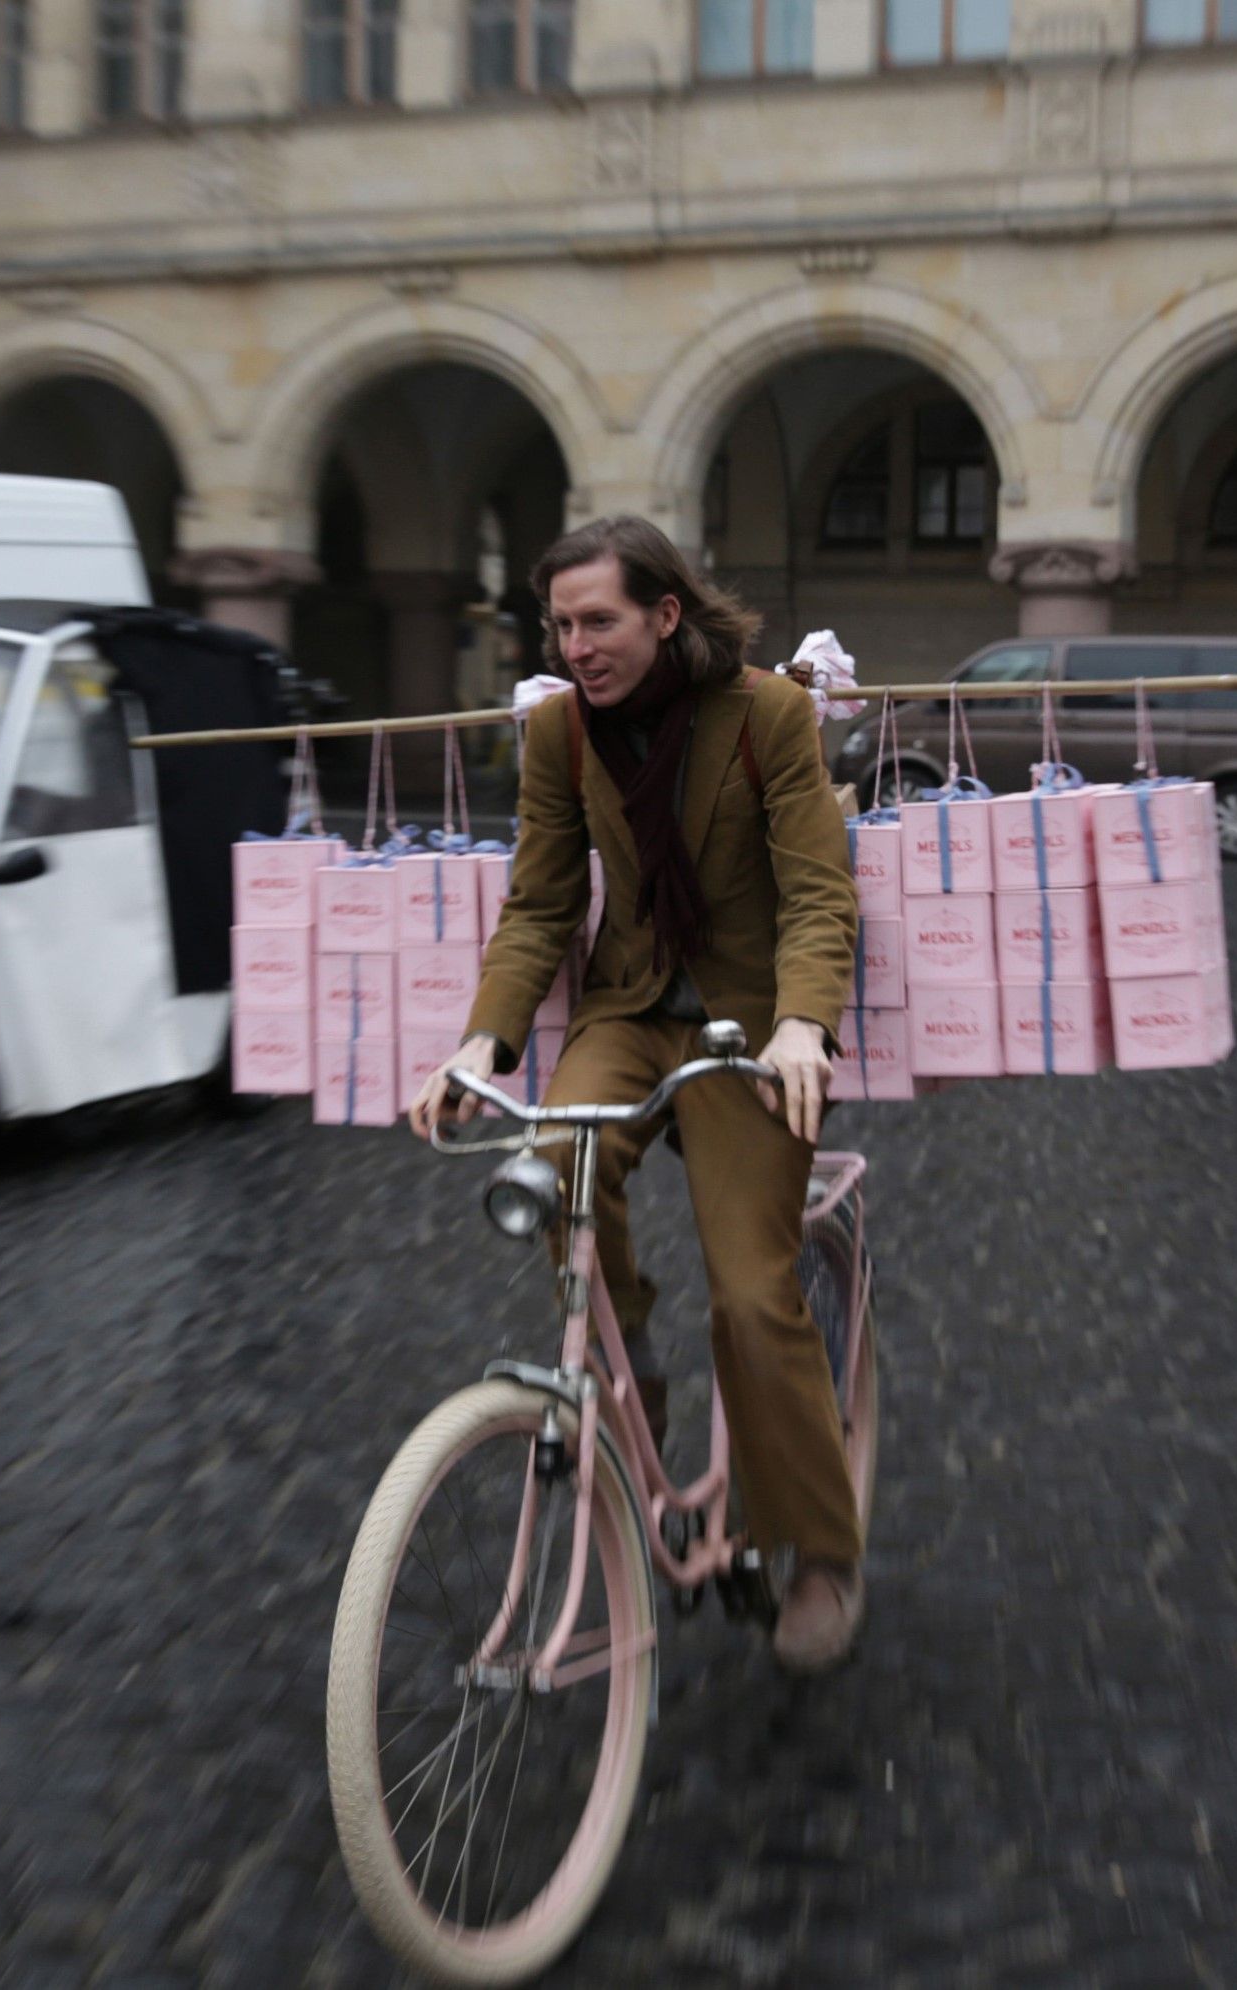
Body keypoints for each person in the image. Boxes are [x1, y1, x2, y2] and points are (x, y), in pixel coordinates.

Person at [409, 515, 865, 1675]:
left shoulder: (766, 715)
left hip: (748, 1027)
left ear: (665, 614)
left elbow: (818, 891)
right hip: (625, 1007)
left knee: (755, 1290)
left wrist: (806, 1022)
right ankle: (630, 1370)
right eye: (560, 625)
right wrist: (480, 1045)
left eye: (597, 620)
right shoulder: (561, 731)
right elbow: (541, 905)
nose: (575, 646)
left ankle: (814, 1549)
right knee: (550, 1167)